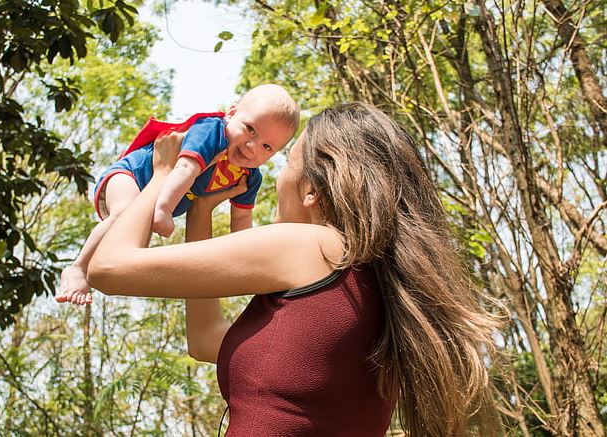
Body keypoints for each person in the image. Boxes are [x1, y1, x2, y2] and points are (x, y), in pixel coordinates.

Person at [74, 102, 502, 436]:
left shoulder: (315, 246)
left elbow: (110, 267)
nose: (273, 177)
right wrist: (201, 207)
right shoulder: (372, 284)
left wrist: (163, 173)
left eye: (286, 164)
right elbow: (205, 340)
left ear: (313, 189)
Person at [55, 84, 300, 305]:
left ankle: (98, 272)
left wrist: (250, 262)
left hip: (154, 198)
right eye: (250, 130)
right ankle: (78, 267)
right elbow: (185, 169)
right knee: (123, 214)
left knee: (132, 248)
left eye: (267, 146)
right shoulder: (212, 132)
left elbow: (241, 222)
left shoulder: (249, 177)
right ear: (232, 113)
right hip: (132, 175)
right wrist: (163, 209)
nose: (252, 147)